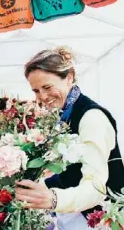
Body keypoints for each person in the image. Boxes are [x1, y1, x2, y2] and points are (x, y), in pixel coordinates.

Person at [15, 47, 124, 230]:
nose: (42, 97)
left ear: (70, 77)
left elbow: (96, 188)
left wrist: (52, 199)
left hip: (100, 219)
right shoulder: (65, 113)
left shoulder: (92, 118)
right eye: (36, 91)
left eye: (47, 87)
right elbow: (72, 170)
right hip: (75, 214)